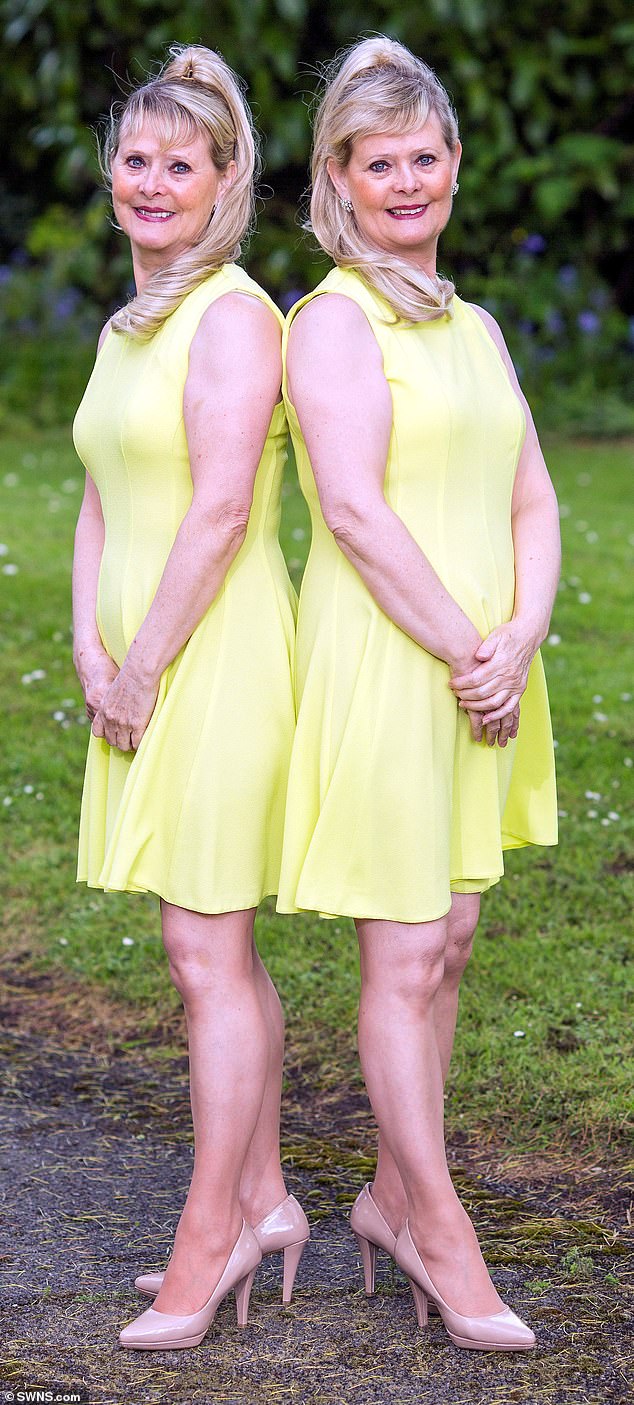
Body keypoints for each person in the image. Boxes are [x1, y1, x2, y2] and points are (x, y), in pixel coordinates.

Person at [277, 36, 559, 1352]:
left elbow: (533, 497)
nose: (406, 180)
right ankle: (442, 1233)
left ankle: (393, 1195)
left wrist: (523, 634)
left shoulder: (479, 325)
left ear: (453, 166)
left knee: (445, 946)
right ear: (338, 175)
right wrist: (467, 647)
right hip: (401, 664)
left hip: (491, 667)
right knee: (398, 958)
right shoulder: (331, 321)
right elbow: (352, 509)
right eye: (376, 160)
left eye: (425, 157)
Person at [71, 44, 308, 1352]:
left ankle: (209, 1235)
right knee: (211, 953)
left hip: (212, 663)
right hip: (138, 671)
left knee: (203, 952)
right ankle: (265, 1197)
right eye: (136, 159)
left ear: (225, 184)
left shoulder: (230, 314)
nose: (151, 181)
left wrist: (146, 662)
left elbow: (220, 508)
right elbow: (101, 498)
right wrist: (89, 650)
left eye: (181, 163)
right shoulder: (130, 322)